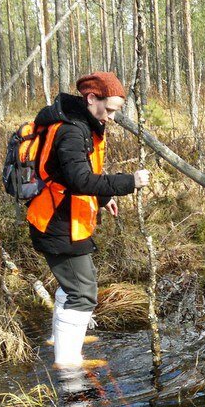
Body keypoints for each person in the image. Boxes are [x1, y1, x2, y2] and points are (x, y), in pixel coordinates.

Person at [27, 71, 149, 369]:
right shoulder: (71, 130)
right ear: (91, 98)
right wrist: (128, 182)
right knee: (83, 292)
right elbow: (79, 179)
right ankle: (68, 364)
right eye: (108, 110)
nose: (110, 118)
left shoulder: (80, 122)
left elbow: (70, 174)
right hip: (58, 224)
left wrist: (103, 197)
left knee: (71, 286)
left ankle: (62, 339)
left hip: (62, 217)